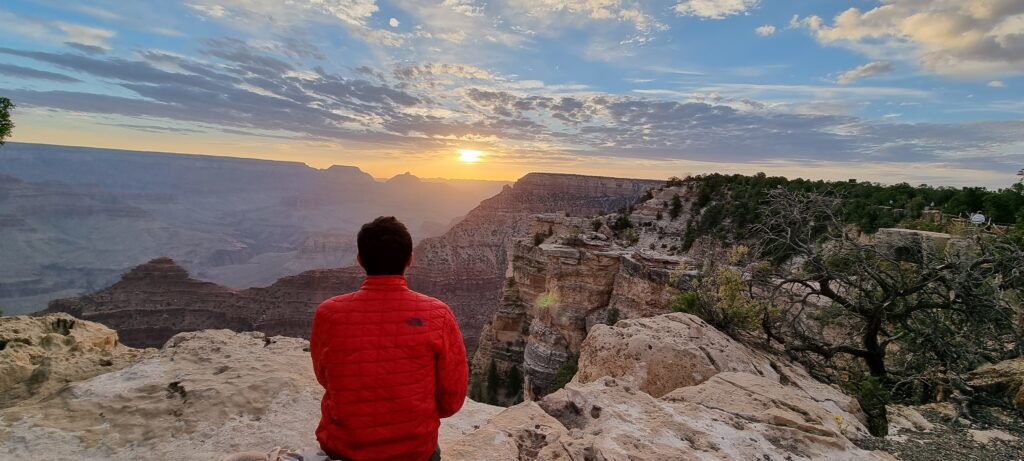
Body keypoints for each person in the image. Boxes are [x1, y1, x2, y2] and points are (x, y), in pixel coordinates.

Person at [310, 216, 468, 461]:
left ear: (360, 261)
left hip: (343, 449)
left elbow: (325, 378)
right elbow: (452, 400)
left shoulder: (328, 313)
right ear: (410, 261)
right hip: (415, 451)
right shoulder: (438, 314)